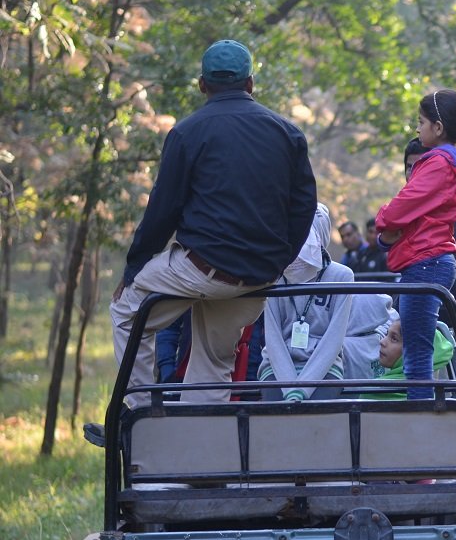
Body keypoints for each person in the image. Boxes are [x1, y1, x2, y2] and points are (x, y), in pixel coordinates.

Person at [103, 39, 316, 416]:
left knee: (125, 311)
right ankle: (200, 464)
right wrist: (277, 263)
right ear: (250, 84)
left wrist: (134, 267)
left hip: (199, 269)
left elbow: (163, 210)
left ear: (202, 85)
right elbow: (303, 209)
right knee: (212, 364)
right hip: (256, 279)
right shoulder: (288, 134)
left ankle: (138, 417)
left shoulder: (188, 133)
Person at [375, 89, 456, 399]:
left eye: (421, 122)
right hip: (426, 262)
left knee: (417, 354)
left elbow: (403, 205)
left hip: (427, 263)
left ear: (438, 127)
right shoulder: (449, 163)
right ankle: (419, 416)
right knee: (416, 349)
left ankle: (420, 423)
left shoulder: (438, 163)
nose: (417, 128)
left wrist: (383, 221)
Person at [258, 204, 355, 402]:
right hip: (275, 368)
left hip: (326, 368)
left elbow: (333, 340)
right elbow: (273, 338)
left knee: (315, 426)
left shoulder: (342, 276)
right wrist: (289, 389)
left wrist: (302, 390)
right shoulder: (276, 275)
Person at [403, 137, 456, 316]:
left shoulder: (448, 214)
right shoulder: (403, 210)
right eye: (409, 167)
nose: (413, 174)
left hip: (435, 306)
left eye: (420, 167)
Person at [362, 318, 456, 400]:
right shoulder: (442, 401)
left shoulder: (373, 391)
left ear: (414, 351)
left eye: (394, 339)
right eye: (387, 334)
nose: (382, 341)